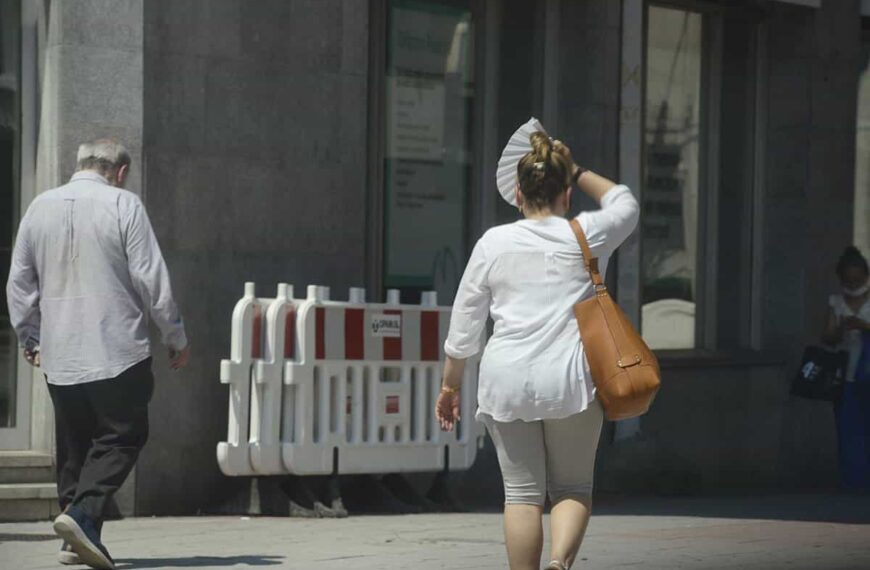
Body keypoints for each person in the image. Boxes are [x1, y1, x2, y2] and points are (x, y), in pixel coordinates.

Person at [436, 132, 639, 570]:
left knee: (521, 495)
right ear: (566, 193)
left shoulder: (493, 242)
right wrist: (579, 168)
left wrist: (450, 385)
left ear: (516, 192)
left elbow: (465, 323)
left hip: (506, 380)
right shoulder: (585, 234)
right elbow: (626, 204)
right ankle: (559, 565)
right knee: (571, 488)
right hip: (570, 380)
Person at [6, 139, 190, 570]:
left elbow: (19, 283)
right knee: (124, 435)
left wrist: (30, 337)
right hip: (116, 349)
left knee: (75, 444)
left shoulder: (39, 207)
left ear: (80, 164)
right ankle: (83, 516)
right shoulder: (124, 205)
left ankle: (74, 541)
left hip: (60, 351)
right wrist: (175, 337)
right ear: (120, 171)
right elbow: (152, 279)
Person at [822, 246, 870, 490]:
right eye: (849, 280)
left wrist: (864, 326)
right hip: (847, 376)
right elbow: (827, 338)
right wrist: (841, 329)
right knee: (849, 430)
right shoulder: (836, 302)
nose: (853, 284)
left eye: (858, 279)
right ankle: (855, 480)